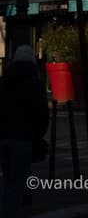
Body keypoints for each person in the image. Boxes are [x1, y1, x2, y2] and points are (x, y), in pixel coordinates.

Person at [0, 44, 50, 218]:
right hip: (23, 137)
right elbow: (41, 114)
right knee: (17, 181)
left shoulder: (4, 82)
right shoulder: (34, 84)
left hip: (3, 136)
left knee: (8, 180)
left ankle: (15, 203)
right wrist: (37, 135)